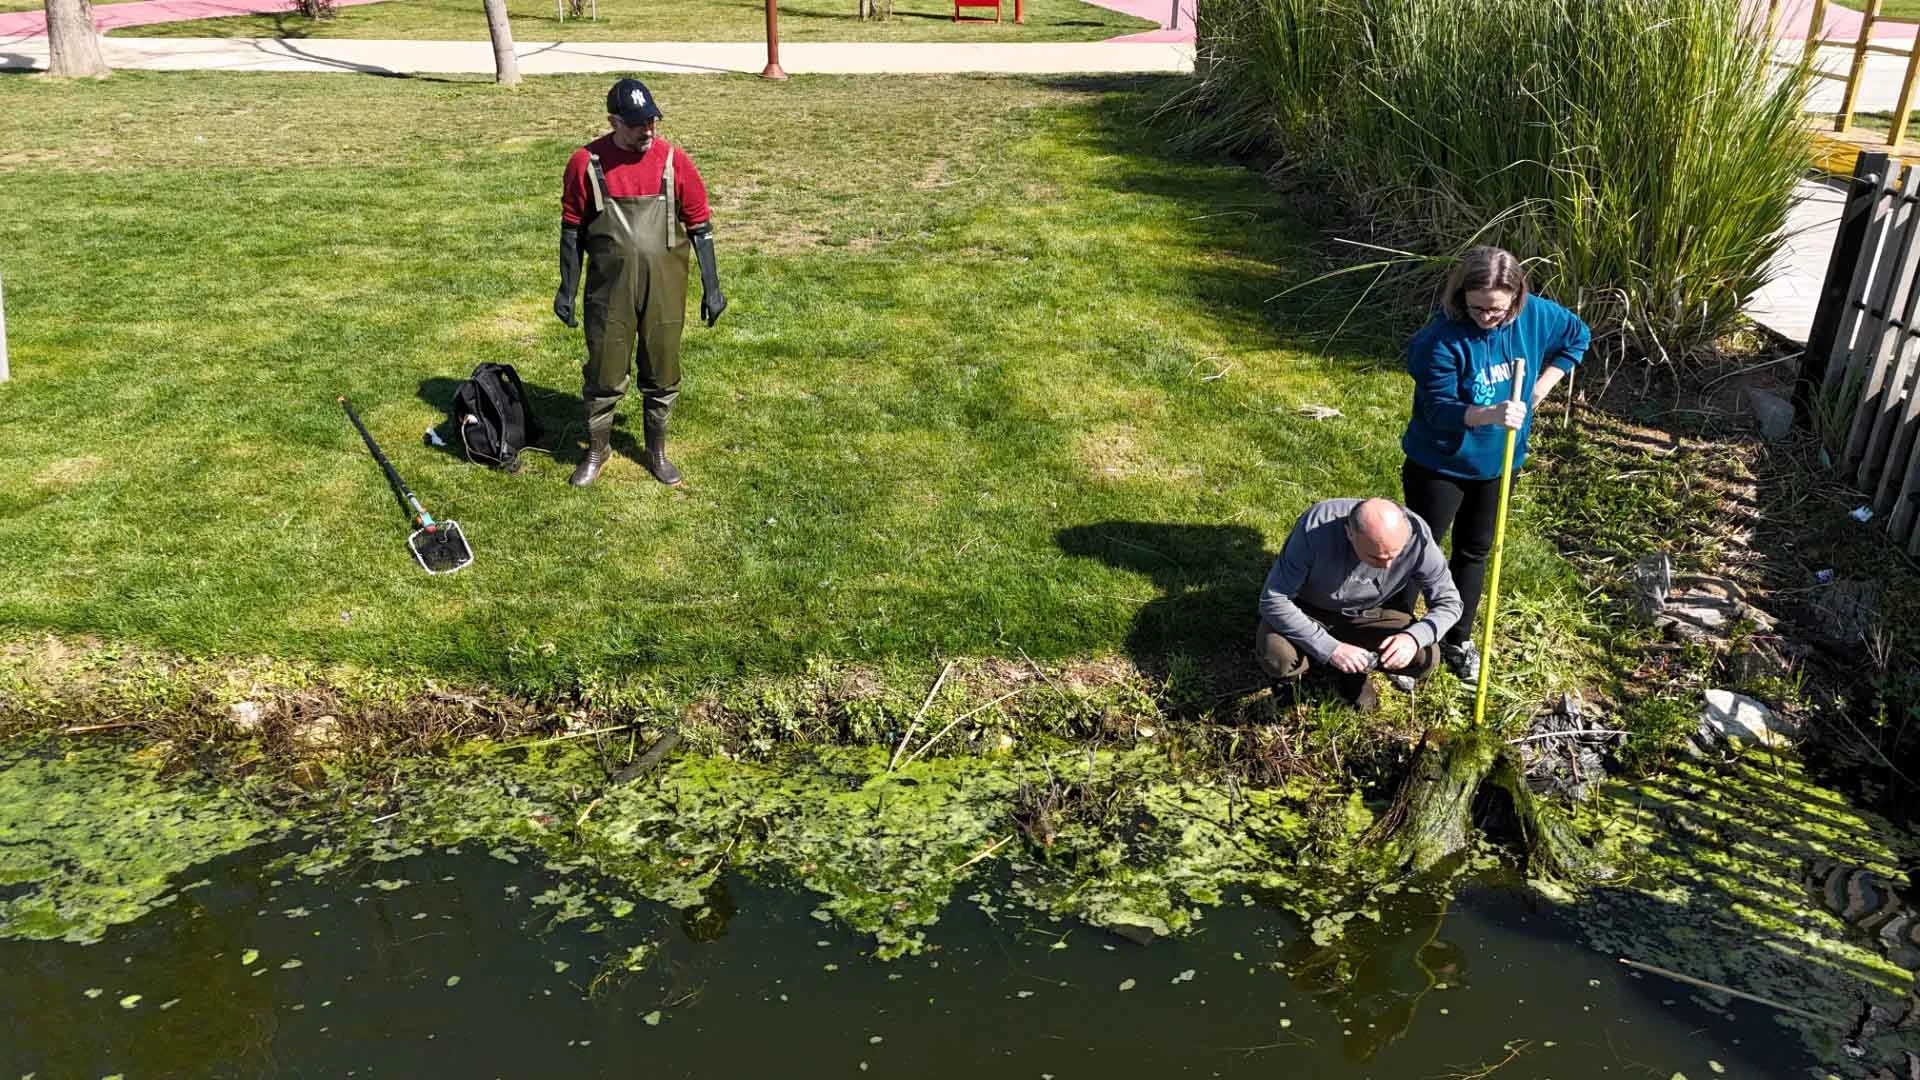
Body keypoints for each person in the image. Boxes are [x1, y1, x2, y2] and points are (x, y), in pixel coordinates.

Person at [1394, 246, 1590, 683]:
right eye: (1478, 307)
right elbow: (1441, 408)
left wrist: (1540, 389)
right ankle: (1401, 638)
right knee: (1418, 550)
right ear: (1461, 295)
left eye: (1498, 311)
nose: (1487, 317)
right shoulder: (1439, 341)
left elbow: (1578, 335)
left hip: (1501, 461)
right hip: (1440, 461)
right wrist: (1492, 414)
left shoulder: (1536, 315)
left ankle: (1456, 639)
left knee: (1475, 550)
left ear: (1517, 297)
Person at [553, 77, 728, 487]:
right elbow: (571, 232)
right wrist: (566, 290)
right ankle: (597, 449)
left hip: (665, 289)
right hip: (609, 288)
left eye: (651, 120)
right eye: (636, 124)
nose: (647, 129)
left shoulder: (673, 160)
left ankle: (656, 450)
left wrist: (713, 287)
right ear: (613, 121)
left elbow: (700, 226)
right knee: (604, 368)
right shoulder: (586, 162)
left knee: (662, 365)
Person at [1256, 497, 1463, 713]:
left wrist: (1413, 638)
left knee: (1426, 656)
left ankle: (1357, 665)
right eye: (1376, 557)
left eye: (1396, 554)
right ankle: (1306, 670)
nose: (1388, 566)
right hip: (1309, 610)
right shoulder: (1314, 529)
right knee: (1278, 656)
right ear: (1349, 534)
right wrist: (1331, 649)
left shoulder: (1417, 536)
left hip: (1368, 613)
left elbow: (1449, 602)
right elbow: (1273, 599)